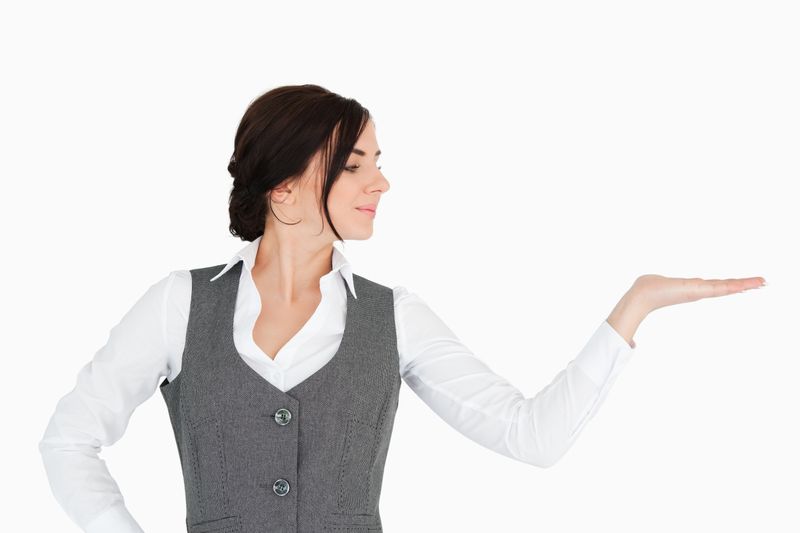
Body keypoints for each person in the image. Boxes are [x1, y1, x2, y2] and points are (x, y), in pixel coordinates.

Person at [38, 84, 766, 533]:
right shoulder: (179, 304)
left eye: (379, 161)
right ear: (283, 189)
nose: (380, 182)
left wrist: (634, 306)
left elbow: (531, 436)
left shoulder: (394, 317)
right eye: (354, 164)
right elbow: (68, 440)